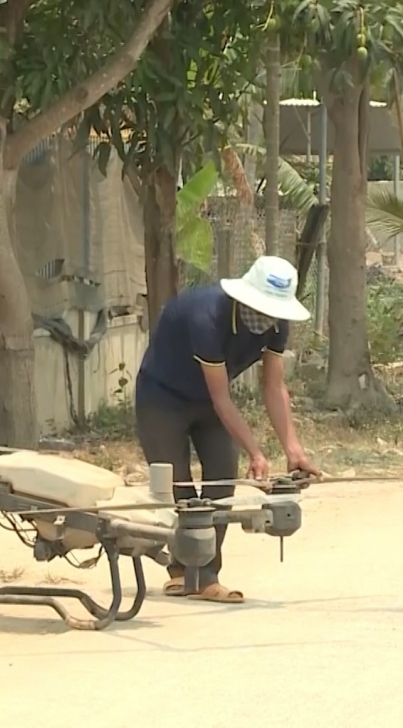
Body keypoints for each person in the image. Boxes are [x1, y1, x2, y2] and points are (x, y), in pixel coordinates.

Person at [133, 255, 322, 604]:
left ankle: (203, 575)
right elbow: (222, 398)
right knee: (180, 486)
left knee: (221, 479)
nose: (265, 318)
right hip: (162, 399)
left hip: (207, 404)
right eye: (260, 308)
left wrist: (293, 450)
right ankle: (187, 572)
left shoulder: (277, 324)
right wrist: (256, 452)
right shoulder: (206, 317)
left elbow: (273, 387)